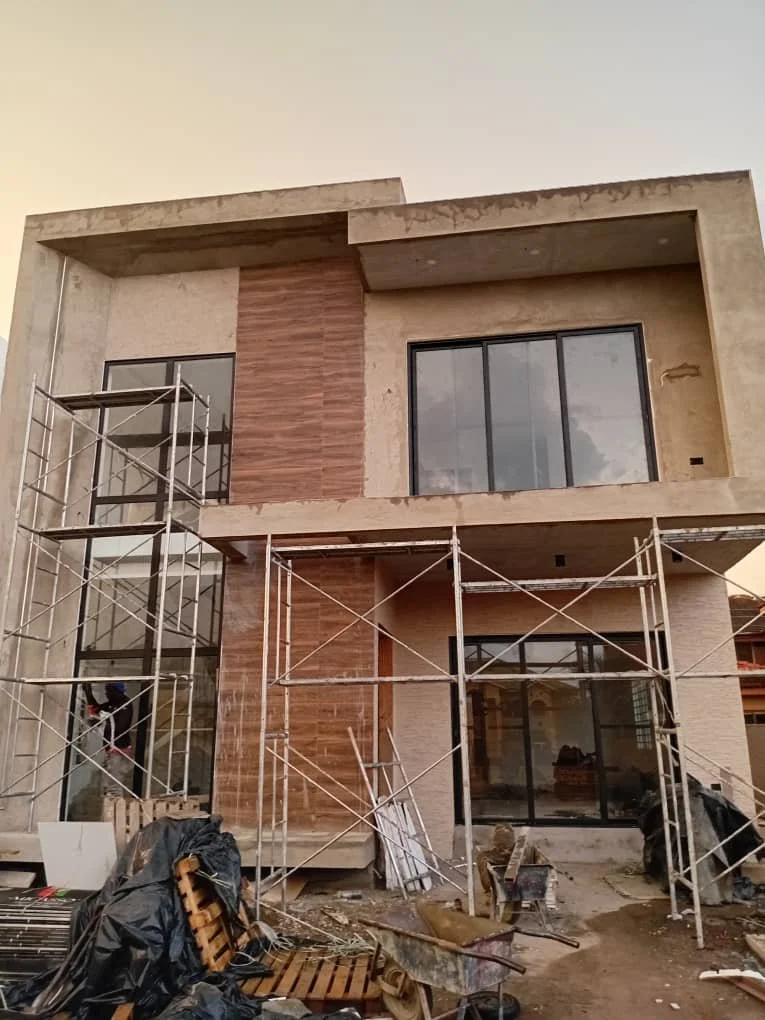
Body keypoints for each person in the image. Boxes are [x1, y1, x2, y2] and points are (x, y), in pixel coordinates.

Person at [84, 681, 133, 794]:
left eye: (108, 691)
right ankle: (109, 799)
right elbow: (96, 709)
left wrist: (101, 723)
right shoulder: (112, 704)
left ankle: (115, 801)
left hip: (119, 749)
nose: (106, 694)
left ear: (116, 691)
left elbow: (121, 727)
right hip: (110, 748)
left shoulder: (125, 704)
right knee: (106, 784)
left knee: (114, 784)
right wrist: (88, 692)